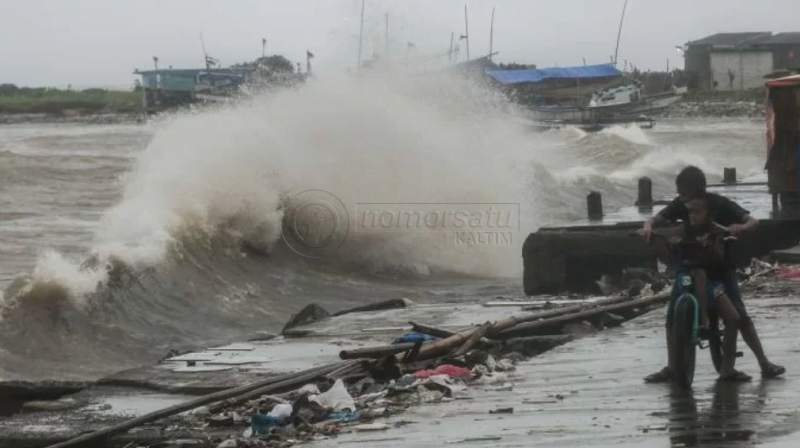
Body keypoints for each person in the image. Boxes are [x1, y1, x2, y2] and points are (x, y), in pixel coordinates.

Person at [642, 166, 785, 382]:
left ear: (700, 192)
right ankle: (672, 367)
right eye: (680, 196)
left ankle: (763, 363)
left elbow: (752, 221)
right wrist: (648, 226)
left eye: (685, 195)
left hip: (720, 267)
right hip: (691, 265)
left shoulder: (719, 205)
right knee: (672, 316)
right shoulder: (682, 205)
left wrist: (740, 228)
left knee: (739, 315)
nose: (683, 202)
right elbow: (658, 219)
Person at [665, 196, 745, 381]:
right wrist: (670, 242)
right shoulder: (684, 229)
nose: (693, 216)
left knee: (733, 319)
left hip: (710, 282)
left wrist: (712, 245)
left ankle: (727, 367)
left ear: (709, 214)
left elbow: (719, 256)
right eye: (690, 212)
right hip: (686, 279)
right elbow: (667, 242)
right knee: (670, 319)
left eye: (697, 212)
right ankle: (674, 365)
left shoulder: (716, 231)